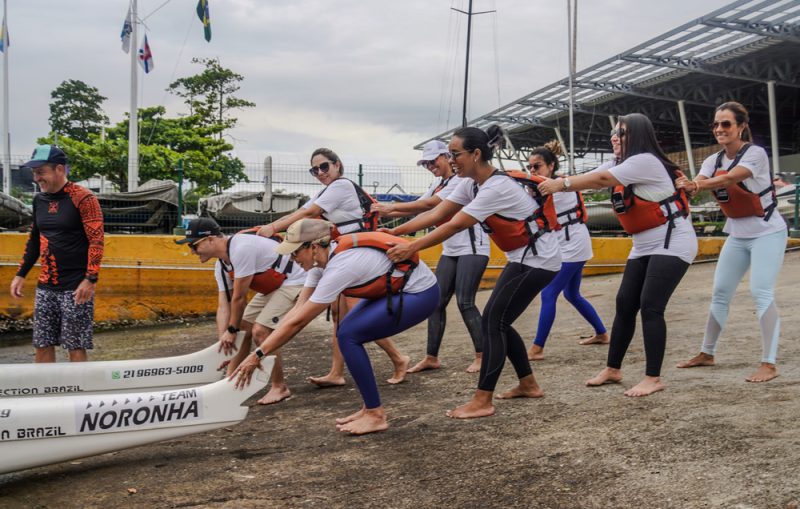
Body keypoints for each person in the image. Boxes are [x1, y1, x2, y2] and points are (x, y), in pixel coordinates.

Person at [385, 125, 562, 419]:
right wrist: (395, 234)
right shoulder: (470, 183)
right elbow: (437, 214)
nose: (451, 159)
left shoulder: (496, 187)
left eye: (456, 154)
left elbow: (455, 225)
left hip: (540, 260)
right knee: (499, 320)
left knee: (493, 321)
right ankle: (528, 384)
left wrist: (412, 248)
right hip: (522, 256)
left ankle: (483, 400)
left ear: (476, 154)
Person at [539, 113, 698, 397]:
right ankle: (613, 369)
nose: (614, 137)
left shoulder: (645, 161)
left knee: (650, 306)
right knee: (625, 304)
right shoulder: (618, 163)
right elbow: (589, 177)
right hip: (644, 243)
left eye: (621, 133)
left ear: (637, 136)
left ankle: (653, 377)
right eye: (613, 132)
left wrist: (560, 184)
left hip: (673, 240)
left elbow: (599, 180)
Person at [231, 219, 439, 435]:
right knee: (346, 331)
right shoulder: (318, 266)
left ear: (312, 247)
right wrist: (259, 352)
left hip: (420, 294)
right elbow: (296, 312)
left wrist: (257, 355)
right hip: (394, 291)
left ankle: (375, 415)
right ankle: (369, 408)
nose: (291, 259)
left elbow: (299, 322)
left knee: (349, 336)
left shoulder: (341, 265)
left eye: (294, 253)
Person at [256, 148, 409, 387]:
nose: (319, 172)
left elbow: (309, 213)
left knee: (354, 313)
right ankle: (336, 372)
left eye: (324, 167)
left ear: (337, 165)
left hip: (358, 256)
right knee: (340, 314)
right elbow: (303, 213)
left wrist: (273, 227)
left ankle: (399, 358)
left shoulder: (342, 186)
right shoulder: (327, 190)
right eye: (314, 170)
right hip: (345, 253)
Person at [676, 101, 787, 382]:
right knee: (720, 293)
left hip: (767, 232)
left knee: (761, 292)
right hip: (737, 234)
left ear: (741, 127)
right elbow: (698, 182)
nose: (720, 129)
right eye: (716, 124)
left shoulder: (756, 154)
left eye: (726, 124)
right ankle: (707, 352)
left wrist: (697, 185)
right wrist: (686, 185)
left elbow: (732, 178)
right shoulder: (712, 160)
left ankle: (768, 363)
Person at [372, 140, 489, 373]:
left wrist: (388, 209)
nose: (429, 165)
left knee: (465, 302)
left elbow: (431, 205)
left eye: (432, 160)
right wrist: (388, 214)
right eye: (425, 162)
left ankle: (482, 355)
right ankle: (431, 357)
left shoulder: (460, 180)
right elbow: (419, 207)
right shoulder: (439, 182)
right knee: (436, 303)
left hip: (473, 248)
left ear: (447, 157)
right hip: (452, 249)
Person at [176, 218, 306, 405]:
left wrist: (231, 331)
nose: (191, 251)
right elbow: (224, 305)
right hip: (276, 285)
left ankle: (280, 386)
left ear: (210, 239)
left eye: (193, 246)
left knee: (261, 331)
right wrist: (224, 338)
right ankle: (231, 381)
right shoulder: (221, 265)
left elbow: (239, 298)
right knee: (243, 327)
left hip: (295, 280)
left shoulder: (240, 248)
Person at [10, 145, 103, 363]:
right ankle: (44, 394)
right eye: (34, 172)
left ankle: (79, 393)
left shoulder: (84, 198)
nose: (36, 178)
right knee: (42, 343)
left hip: (76, 286)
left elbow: (96, 241)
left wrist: (90, 279)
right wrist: (21, 274)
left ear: (59, 169)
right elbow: (34, 239)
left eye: (41, 172)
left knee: (75, 345)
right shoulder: (39, 200)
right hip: (46, 286)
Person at [525, 141, 608, 361]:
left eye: (537, 166)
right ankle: (602, 333)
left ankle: (537, 348)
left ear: (551, 166)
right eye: (530, 167)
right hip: (563, 243)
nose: (532, 171)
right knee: (571, 294)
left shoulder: (561, 184)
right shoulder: (537, 187)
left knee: (548, 292)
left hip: (573, 244)